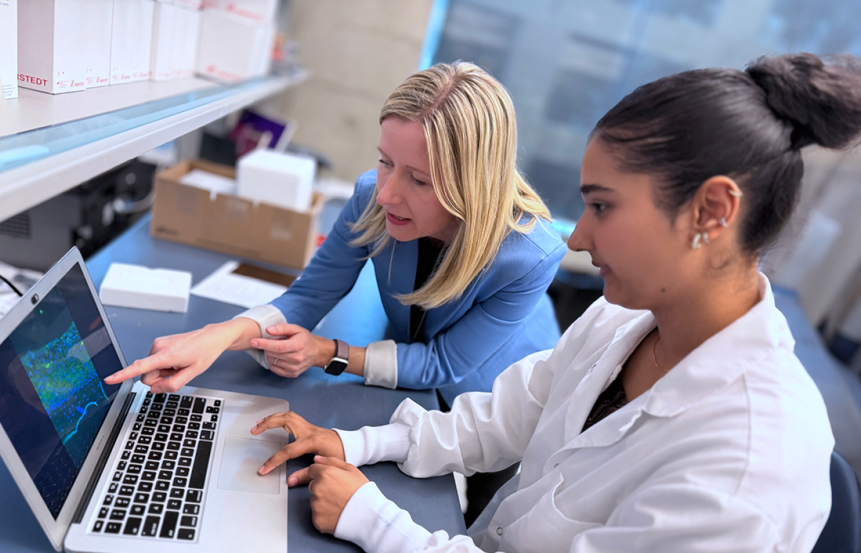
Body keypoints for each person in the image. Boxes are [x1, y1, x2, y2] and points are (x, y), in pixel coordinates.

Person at [249, 52, 861, 553]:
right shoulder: (623, 320)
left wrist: (374, 520)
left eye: (602, 207)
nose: (575, 238)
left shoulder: (747, 463)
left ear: (711, 212)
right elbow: (499, 420)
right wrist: (354, 443)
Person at [107, 62, 565, 524]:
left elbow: (444, 363)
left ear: (474, 181)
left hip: (493, 395)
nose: (387, 194)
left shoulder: (528, 255)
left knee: (479, 511)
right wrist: (221, 335)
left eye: (419, 180)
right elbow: (309, 295)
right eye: (385, 161)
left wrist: (329, 352)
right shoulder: (372, 196)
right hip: (412, 361)